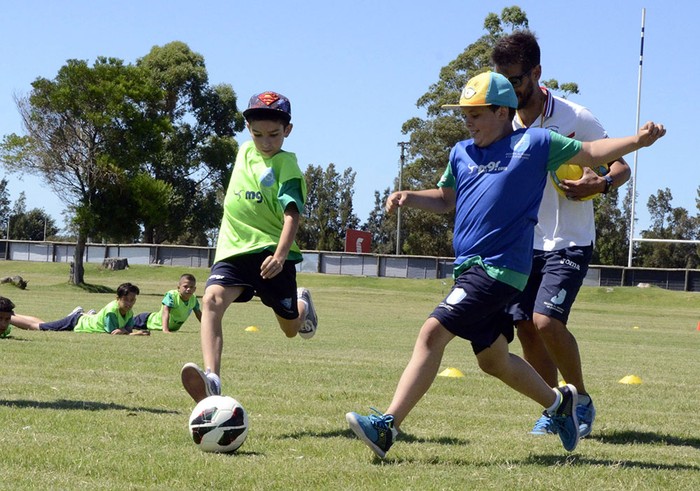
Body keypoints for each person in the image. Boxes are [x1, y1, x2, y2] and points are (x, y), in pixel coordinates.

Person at [345, 71, 665, 458]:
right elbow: (446, 199)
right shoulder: (461, 152)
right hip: (469, 268)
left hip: (499, 270)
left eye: (476, 114)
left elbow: (595, 153)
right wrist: (409, 196)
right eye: (465, 114)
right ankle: (558, 404)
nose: (468, 121)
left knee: (432, 333)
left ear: (502, 111)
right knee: (493, 360)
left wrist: (639, 140)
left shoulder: (536, 143)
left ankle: (388, 427)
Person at [491, 30, 631, 438]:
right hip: (522, 243)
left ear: (536, 72)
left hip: (569, 239)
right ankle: (558, 406)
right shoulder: (501, 122)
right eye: (502, 80)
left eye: (515, 79)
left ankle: (581, 399)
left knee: (546, 320)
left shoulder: (576, 117)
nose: (509, 89)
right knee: (526, 328)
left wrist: (598, 185)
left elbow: (620, 168)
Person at [181, 91, 318, 403]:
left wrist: (281, 256)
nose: (265, 142)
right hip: (234, 247)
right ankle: (212, 379)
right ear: (248, 129)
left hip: (273, 254)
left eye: (274, 134)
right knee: (212, 300)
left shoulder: (287, 167)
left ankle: (303, 306)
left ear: (288, 131)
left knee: (290, 329)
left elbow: (292, 214)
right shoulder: (244, 151)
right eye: (257, 134)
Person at [9, 282, 148, 335]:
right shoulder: (112, 310)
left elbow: (127, 328)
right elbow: (114, 333)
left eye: (132, 300)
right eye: (126, 300)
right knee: (38, 327)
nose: (129, 304)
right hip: (76, 322)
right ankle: (7, 317)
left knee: (43, 324)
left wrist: (128, 331)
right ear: (117, 299)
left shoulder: (129, 311)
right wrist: (134, 334)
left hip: (82, 319)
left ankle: (12, 314)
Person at [133, 274, 201, 333]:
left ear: (194, 289)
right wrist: (165, 330)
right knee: (124, 324)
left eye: (191, 287)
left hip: (166, 327)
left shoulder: (193, 299)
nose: (188, 289)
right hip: (146, 321)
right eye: (185, 286)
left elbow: (199, 315)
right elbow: (166, 312)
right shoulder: (171, 295)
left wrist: (209, 328)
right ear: (178, 288)